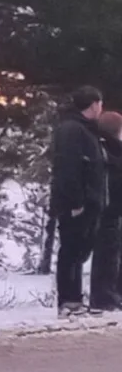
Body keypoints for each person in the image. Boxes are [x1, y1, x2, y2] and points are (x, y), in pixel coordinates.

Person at [49, 86, 108, 317]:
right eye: (100, 104)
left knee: (79, 252)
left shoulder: (86, 129)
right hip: (75, 203)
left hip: (89, 201)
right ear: (93, 104)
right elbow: (69, 168)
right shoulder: (72, 130)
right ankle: (68, 301)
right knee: (71, 251)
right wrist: (76, 201)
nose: (102, 108)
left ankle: (76, 300)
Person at [90, 111, 122, 310]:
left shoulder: (107, 150)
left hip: (112, 207)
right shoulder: (109, 151)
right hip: (110, 208)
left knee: (113, 252)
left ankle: (113, 294)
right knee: (107, 253)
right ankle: (104, 297)